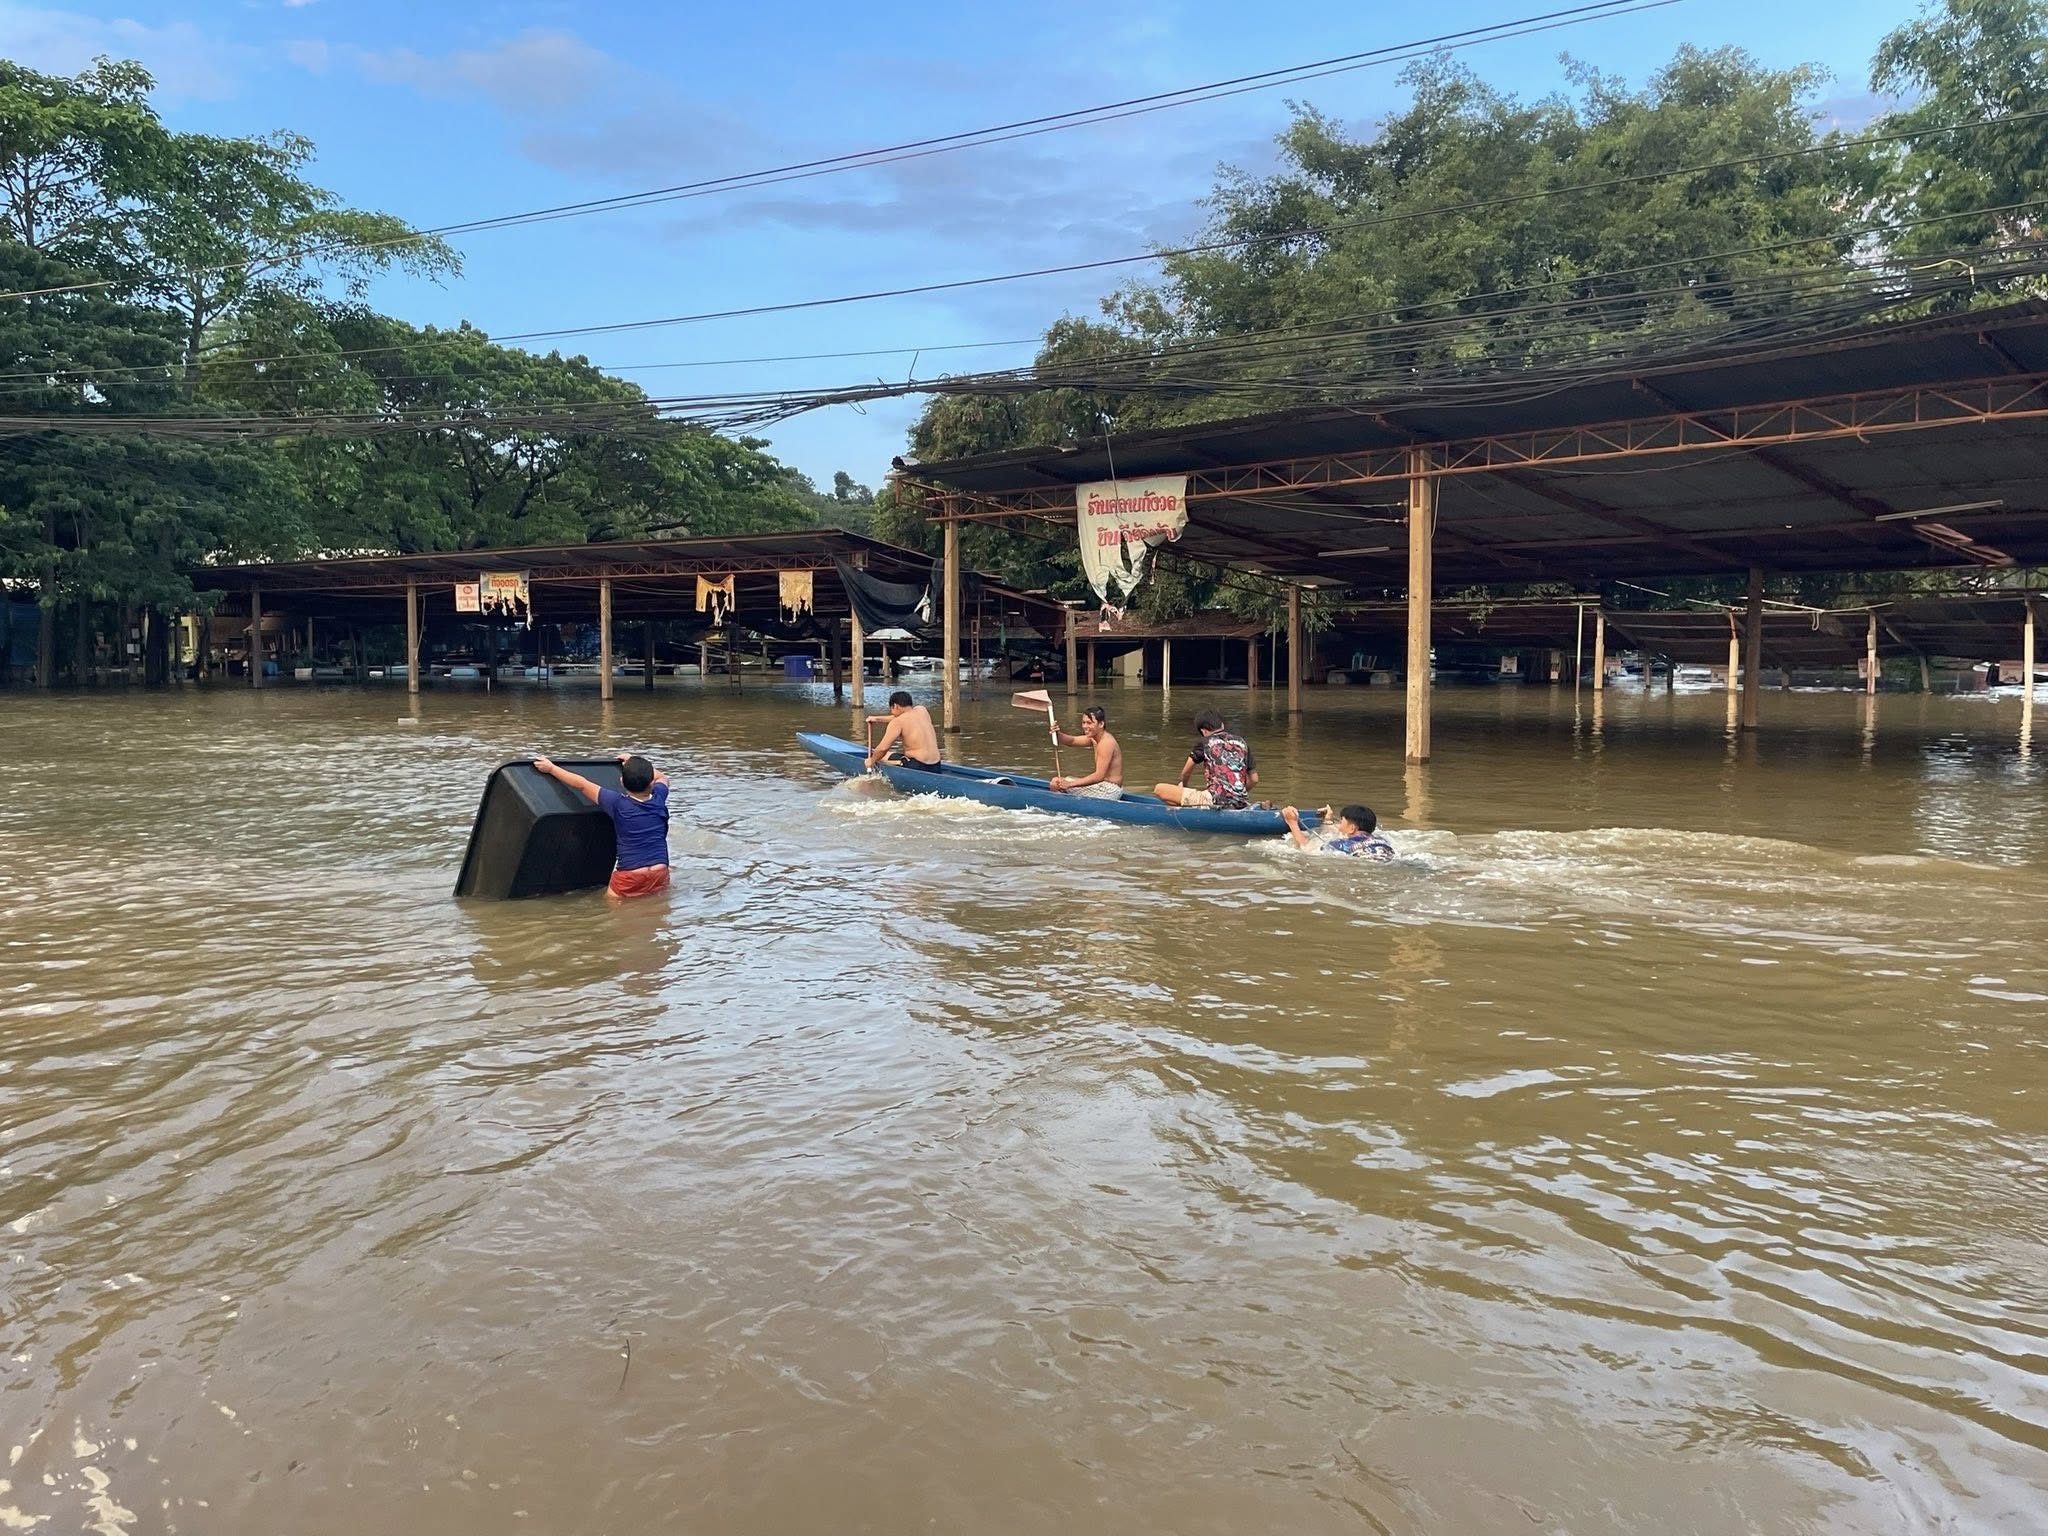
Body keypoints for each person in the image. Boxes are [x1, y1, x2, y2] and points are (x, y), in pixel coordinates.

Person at [533, 753, 672, 898]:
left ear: (622, 781)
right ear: (651, 783)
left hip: (630, 874)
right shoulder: (659, 798)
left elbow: (581, 784)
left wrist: (551, 769)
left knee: (610, 907)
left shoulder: (617, 803)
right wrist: (632, 761)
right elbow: (663, 778)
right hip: (660, 871)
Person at [1153, 711, 1257, 809]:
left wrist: (1183, 787)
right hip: (1241, 801)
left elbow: (1185, 773)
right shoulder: (1242, 742)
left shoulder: (1205, 742)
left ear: (1204, 731)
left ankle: (1186, 812)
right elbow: (1254, 779)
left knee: (1159, 789)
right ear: (1222, 725)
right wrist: (1237, 795)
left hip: (1215, 800)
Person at [1049, 706, 1123, 799]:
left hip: (1109, 790)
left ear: (1101, 724)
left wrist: (1070, 784)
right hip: (1102, 785)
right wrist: (1057, 734)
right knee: (1060, 781)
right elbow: (1072, 741)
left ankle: (1062, 806)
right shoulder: (1094, 738)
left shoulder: (1106, 743)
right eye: (1084, 723)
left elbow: (1099, 776)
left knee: (1055, 783)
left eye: (1089, 723)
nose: (1085, 726)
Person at [1281, 803, 1395, 861]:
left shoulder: (1341, 844)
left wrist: (1292, 822)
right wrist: (1328, 820)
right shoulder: (1382, 839)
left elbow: (1305, 848)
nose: (1339, 826)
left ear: (1352, 828)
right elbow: (1337, 832)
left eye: (1341, 822)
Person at [865, 690, 941, 773]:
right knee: (888, 755)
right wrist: (877, 719)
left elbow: (883, 749)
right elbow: (903, 717)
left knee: (881, 757)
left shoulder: (897, 722)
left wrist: (872, 761)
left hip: (918, 766)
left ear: (895, 706)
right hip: (936, 766)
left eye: (891, 709)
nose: (892, 713)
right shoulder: (922, 710)